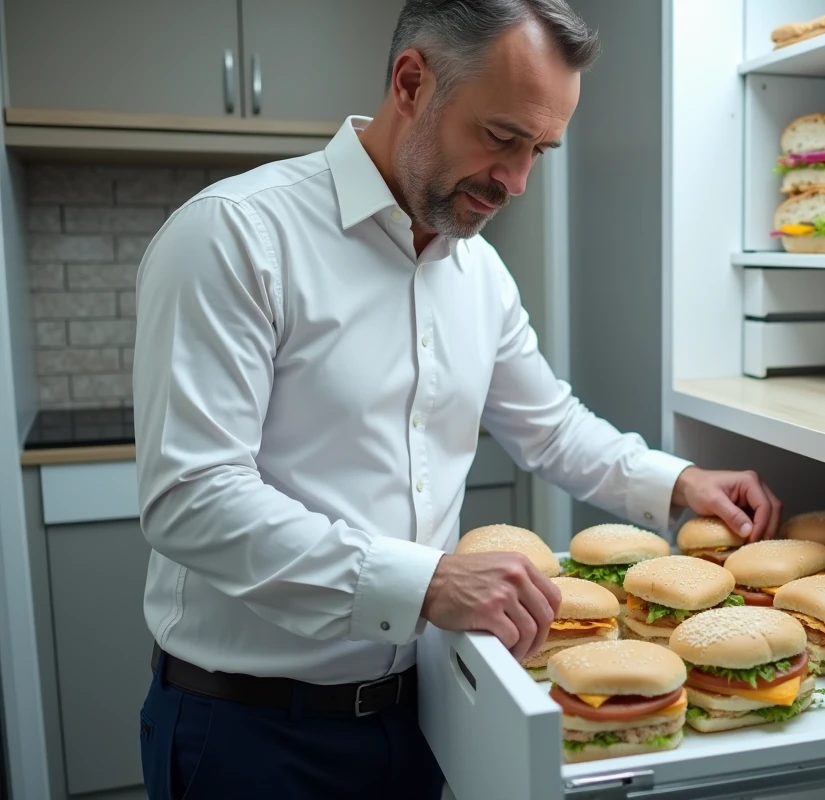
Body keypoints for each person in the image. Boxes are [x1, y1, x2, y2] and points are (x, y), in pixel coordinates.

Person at [131, 1, 782, 798]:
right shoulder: (235, 236)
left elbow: (551, 429)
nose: (515, 182)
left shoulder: (479, 274)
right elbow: (192, 499)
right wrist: (425, 582)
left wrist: (681, 483)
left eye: (540, 150)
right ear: (412, 82)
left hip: (425, 716)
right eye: (502, 138)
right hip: (249, 734)